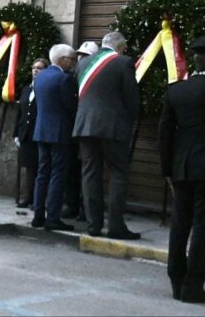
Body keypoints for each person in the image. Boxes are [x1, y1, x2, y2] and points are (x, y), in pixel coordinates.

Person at [158, 33, 205, 303]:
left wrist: (167, 170)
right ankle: (193, 286)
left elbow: (164, 134)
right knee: (203, 226)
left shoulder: (177, 90)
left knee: (180, 224)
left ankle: (176, 281)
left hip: (182, 167)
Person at [73, 31, 140, 240]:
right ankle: (116, 227)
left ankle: (93, 225)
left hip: (85, 126)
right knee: (118, 174)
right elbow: (131, 98)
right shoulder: (123, 62)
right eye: (124, 48)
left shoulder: (83, 63)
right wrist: (131, 119)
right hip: (113, 127)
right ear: (120, 46)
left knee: (90, 174)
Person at [31, 44, 78, 231]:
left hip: (41, 131)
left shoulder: (41, 77)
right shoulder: (64, 79)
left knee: (42, 172)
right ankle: (53, 217)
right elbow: (70, 106)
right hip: (59, 132)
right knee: (57, 174)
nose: (73, 63)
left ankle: (38, 215)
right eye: (71, 59)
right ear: (62, 59)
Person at [63, 41, 99, 218]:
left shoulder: (98, 79)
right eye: (79, 56)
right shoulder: (71, 78)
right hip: (72, 130)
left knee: (89, 171)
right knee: (72, 170)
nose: (80, 59)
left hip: (88, 131)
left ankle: (87, 209)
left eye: (85, 56)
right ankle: (72, 205)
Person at [14, 57, 49, 209]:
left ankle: (39, 199)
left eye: (39, 68)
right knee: (29, 167)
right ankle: (29, 196)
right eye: (34, 68)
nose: (35, 70)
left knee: (40, 166)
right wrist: (16, 133)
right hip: (26, 134)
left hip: (39, 132)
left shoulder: (46, 89)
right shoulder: (26, 89)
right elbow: (20, 113)